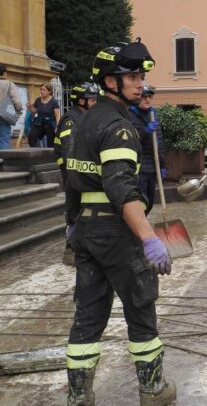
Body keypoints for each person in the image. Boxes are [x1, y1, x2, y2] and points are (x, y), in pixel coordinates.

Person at [64, 40, 175, 406]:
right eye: (133, 76)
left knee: (88, 315)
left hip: (86, 230)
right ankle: (153, 389)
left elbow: (71, 177)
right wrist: (148, 238)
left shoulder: (83, 121)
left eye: (141, 75)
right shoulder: (119, 127)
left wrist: (71, 224)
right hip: (117, 231)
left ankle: (79, 396)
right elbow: (121, 187)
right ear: (110, 81)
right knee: (141, 308)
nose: (140, 83)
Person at [55, 82, 99, 267]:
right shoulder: (71, 119)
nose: (95, 103)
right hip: (72, 173)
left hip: (81, 172)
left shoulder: (84, 117)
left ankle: (82, 247)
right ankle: (70, 249)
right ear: (81, 100)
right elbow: (67, 149)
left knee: (82, 209)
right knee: (74, 210)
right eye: (92, 99)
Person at [129, 86, 165, 214]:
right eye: (144, 97)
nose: (148, 100)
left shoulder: (153, 114)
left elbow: (159, 142)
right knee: (141, 203)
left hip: (153, 168)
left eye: (150, 97)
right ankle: (137, 230)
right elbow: (131, 139)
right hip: (140, 169)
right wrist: (145, 131)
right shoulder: (130, 115)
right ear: (137, 99)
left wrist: (162, 165)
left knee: (149, 203)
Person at [27, 82, 61, 147]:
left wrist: (57, 127)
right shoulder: (38, 100)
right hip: (39, 123)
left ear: (49, 91)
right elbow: (34, 111)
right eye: (41, 90)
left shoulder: (54, 102)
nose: (41, 91)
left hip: (50, 124)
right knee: (31, 136)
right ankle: (35, 152)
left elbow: (58, 116)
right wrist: (30, 106)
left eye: (44, 90)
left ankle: (50, 155)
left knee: (51, 143)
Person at [0, 65, 23, 149]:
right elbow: (17, 101)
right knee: (4, 139)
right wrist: (19, 112)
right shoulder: (10, 85)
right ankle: (3, 160)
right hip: (4, 116)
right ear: (5, 73)